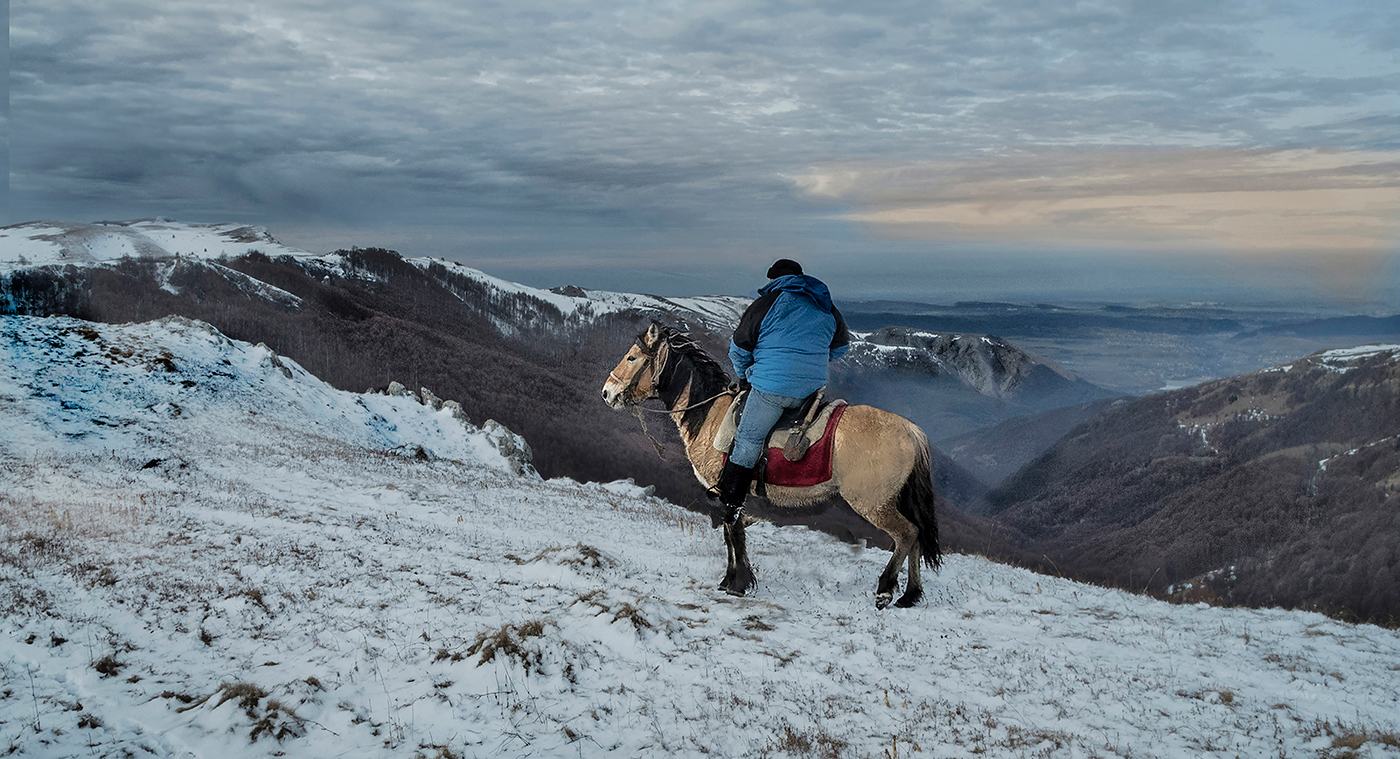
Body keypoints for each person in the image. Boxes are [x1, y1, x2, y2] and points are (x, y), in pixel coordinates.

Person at [716, 259, 850, 522]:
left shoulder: (766, 304)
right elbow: (841, 347)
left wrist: (745, 377)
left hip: (771, 389)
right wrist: (812, 360)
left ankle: (730, 504)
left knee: (747, 439)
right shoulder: (825, 306)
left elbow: (739, 349)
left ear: (773, 280)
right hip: (811, 391)